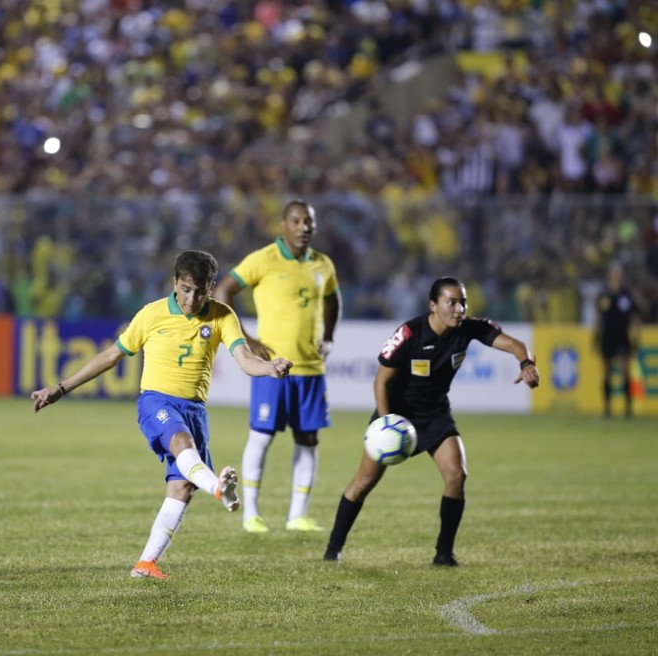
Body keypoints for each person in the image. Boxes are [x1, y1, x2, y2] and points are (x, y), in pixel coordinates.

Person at [31, 250, 293, 580]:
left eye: (200, 291)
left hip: (194, 410)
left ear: (211, 287)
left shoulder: (222, 316)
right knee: (182, 443)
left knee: (182, 488)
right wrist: (61, 387)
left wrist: (270, 367)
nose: (191, 299)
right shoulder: (151, 315)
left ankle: (146, 563)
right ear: (174, 283)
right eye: (185, 289)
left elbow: (244, 359)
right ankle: (217, 488)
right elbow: (112, 355)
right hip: (156, 403)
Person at [322, 276, 540, 566]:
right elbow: (381, 380)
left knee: (456, 475)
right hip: (397, 415)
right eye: (451, 302)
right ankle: (333, 550)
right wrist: (386, 423)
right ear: (433, 305)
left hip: (435, 414)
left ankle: (443, 554)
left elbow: (515, 344)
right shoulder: (410, 333)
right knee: (363, 483)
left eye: (463, 302)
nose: (459, 309)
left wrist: (526, 364)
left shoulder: (469, 328)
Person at [213, 199, 341, 534]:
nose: (304, 228)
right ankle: (250, 514)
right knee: (261, 436)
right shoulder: (263, 259)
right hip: (273, 369)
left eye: (309, 222)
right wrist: (246, 338)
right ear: (283, 225)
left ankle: (298, 515)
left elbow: (332, 299)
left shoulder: (323, 265)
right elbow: (223, 290)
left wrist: (328, 336)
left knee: (308, 439)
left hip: (311, 369)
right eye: (296, 221)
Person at [593, 262, 641, 418]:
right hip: (607, 336)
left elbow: (634, 318)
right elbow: (599, 317)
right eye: (614, 274)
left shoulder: (627, 295)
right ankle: (607, 407)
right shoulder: (603, 295)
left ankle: (628, 407)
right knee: (606, 372)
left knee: (625, 372)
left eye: (618, 275)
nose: (616, 277)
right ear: (609, 276)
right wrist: (595, 336)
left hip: (622, 336)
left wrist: (636, 336)